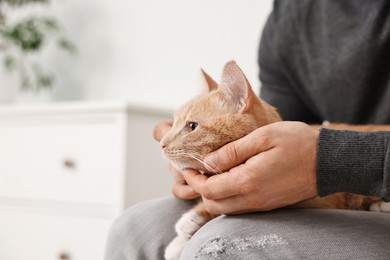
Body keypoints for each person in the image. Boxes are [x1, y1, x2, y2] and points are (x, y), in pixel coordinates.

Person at [105, 1, 390, 259]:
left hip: (373, 184)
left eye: (190, 126)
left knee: (221, 245)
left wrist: (327, 160)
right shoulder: (290, 11)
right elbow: (272, 123)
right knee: (132, 228)